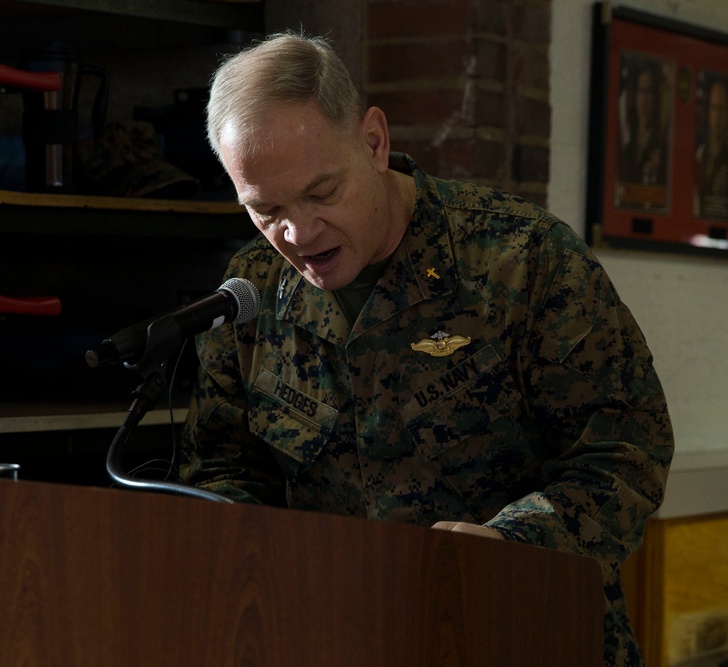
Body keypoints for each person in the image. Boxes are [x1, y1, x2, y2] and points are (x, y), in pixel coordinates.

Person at [179, 32, 674, 667]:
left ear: (373, 142)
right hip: (334, 638)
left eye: (322, 192)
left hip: (521, 632)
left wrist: (508, 544)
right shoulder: (250, 294)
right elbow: (224, 473)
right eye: (265, 209)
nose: (298, 233)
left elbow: (626, 456)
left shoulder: (525, 260)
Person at [694, 75, 728, 220]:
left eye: (722, 109)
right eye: (714, 108)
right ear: (708, 112)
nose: (717, 116)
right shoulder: (699, 157)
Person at [617, 57, 668, 187]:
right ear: (635, 97)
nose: (645, 99)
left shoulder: (661, 149)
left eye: (649, 91)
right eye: (641, 91)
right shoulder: (628, 149)